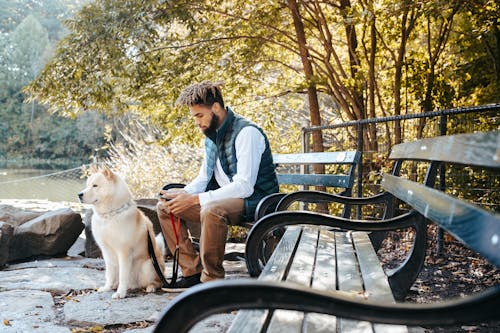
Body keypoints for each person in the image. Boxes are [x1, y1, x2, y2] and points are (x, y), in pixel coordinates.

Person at [157, 81, 279, 290]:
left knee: (212, 210)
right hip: (225, 201)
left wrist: (195, 199)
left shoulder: (246, 132)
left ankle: (211, 282)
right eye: (194, 116)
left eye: (199, 115)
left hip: (256, 201)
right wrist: (183, 193)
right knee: (165, 207)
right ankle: (191, 272)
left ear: (215, 108)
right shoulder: (211, 137)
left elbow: (244, 186)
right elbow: (204, 177)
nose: (197, 122)